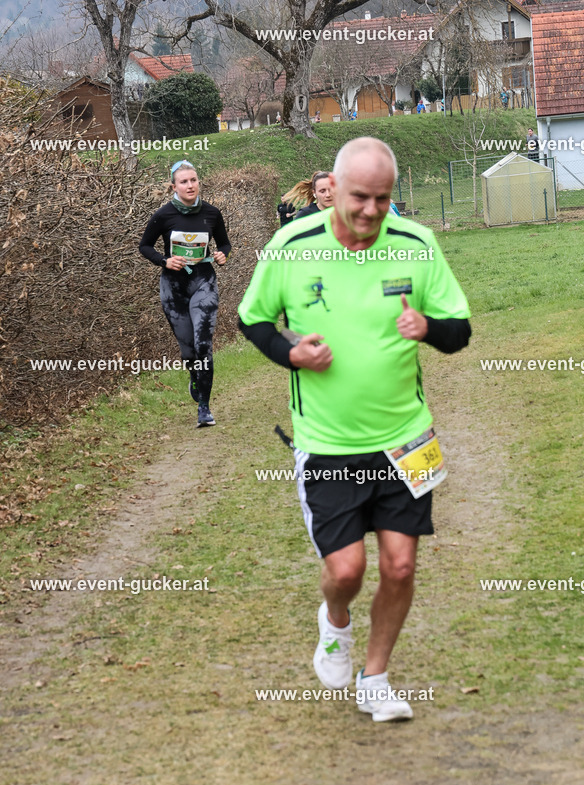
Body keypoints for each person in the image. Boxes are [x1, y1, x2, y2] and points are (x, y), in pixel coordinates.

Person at [238, 137, 471, 723]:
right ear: (332, 190)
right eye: (360, 197)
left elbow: (459, 329)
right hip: (328, 442)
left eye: (384, 200)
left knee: (400, 566)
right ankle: (334, 622)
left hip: (406, 438)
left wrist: (430, 329)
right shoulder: (291, 246)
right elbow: (253, 319)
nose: (371, 211)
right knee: (347, 570)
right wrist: (290, 356)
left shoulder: (417, 244)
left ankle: (376, 677)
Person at [139, 160, 231, 428]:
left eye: (194, 180)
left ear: (198, 182)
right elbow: (144, 246)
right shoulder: (163, 215)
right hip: (173, 288)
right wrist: (164, 261)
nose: (190, 185)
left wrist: (223, 254)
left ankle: (204, 406)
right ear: (174, 186)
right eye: (184, 181)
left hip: (204, 282)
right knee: (189, 349)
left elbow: (224, 242)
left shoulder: (212, 213)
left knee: (204, 344)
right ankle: (195, 376)